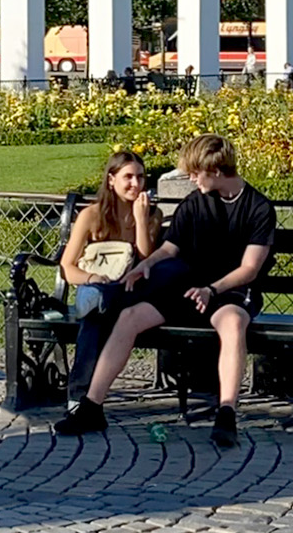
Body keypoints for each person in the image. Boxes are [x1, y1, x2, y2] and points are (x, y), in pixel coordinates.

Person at [56, 135, 276, 448]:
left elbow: (249, 269)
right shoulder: (196, 202)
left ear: (214, 170)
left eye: (194, 172)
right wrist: (146, 265)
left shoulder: (258, 207)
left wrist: (212, 289)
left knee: (233, 323)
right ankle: (92, 406)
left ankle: (226, 413)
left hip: (229, 292)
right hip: (186, 289)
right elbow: (172, 247)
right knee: (130, 316)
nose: (190, 178)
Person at [57, 151, 160, 409]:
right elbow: (67, 268)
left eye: (140, 177)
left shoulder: (152, 215)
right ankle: (80, 398)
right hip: (96, 289)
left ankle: (81, 397)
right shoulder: (92, 216)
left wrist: (140, 220)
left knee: (100, 314)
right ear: (111, 180)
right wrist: (93, 276)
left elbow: (146, 257)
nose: (135, 184)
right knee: (94, 311)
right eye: (128, 177)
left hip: (131, 291)